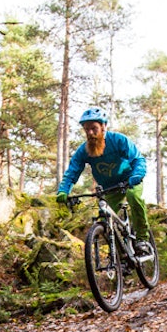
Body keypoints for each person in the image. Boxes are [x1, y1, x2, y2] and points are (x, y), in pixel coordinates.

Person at [55, 107, 153, 256]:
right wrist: (64, 190)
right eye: (87, 129)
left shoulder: (118, 140)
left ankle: (143, 240)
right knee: (104, 218)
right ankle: (121, 257)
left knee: (134, 197)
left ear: (103, 127)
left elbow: (138, 159)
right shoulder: (84, 150)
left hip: (130, 181)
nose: (90, 133)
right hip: (109, 188)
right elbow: (73, 171)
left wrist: (136, 176)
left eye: (94, 128)